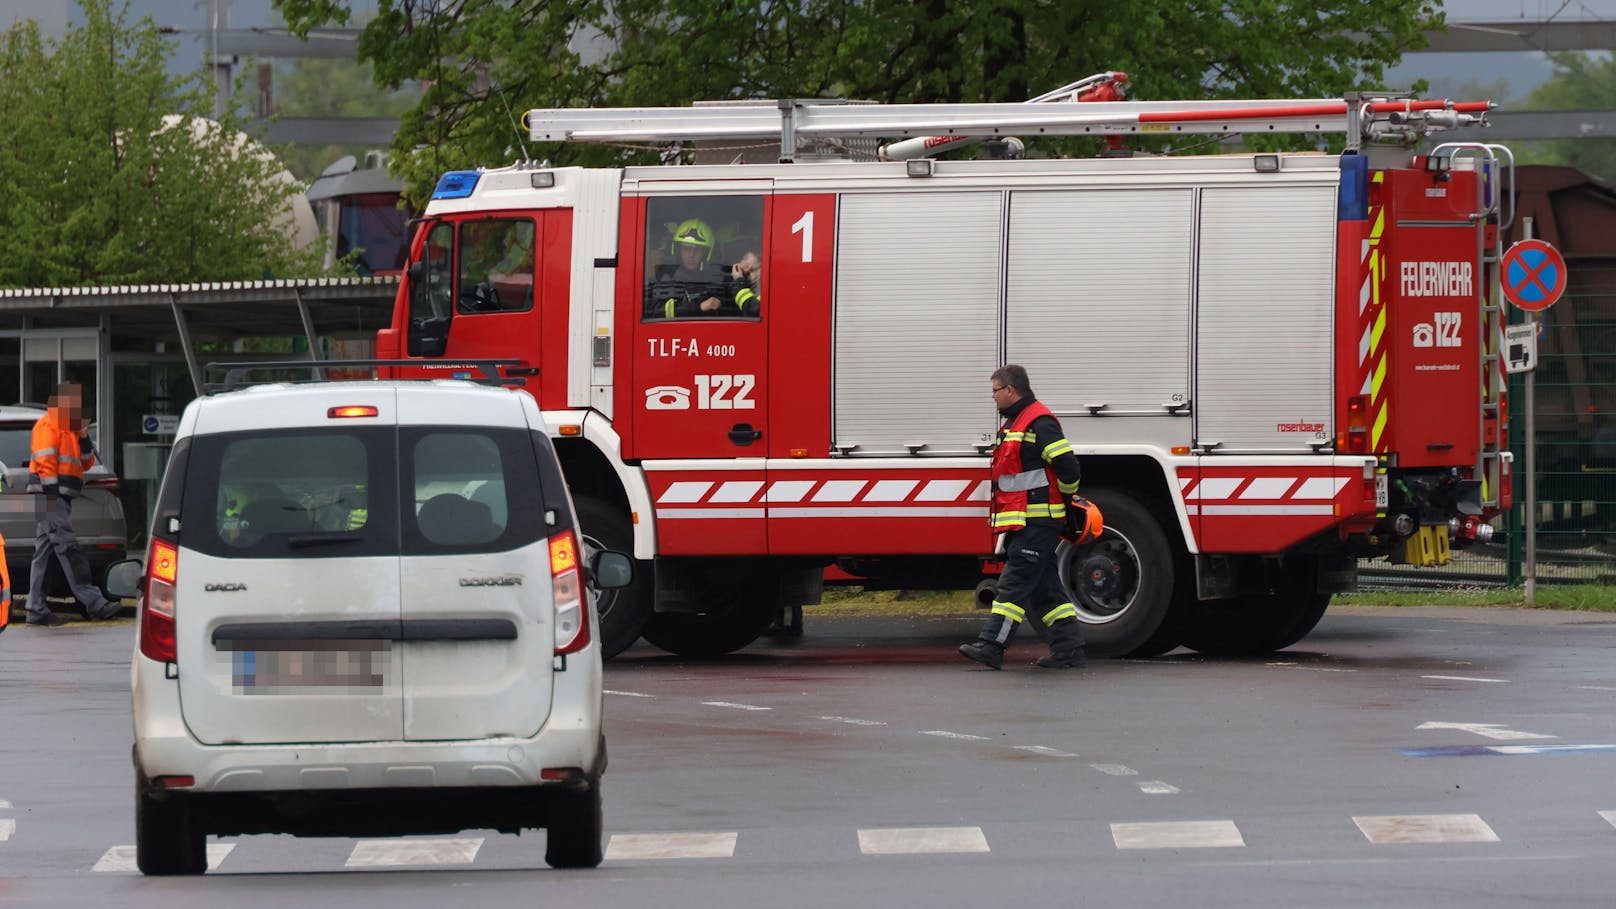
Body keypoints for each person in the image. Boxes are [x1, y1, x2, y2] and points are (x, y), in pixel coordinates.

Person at [960, 365, 1087, 669]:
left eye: (995, 390)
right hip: (1027, 520)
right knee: (1046, 590)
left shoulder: (1038, 422)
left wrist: (1067, 498)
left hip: (1038, 521)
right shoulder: (1018, 422)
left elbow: (1068, 466)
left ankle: (992, 645)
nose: (992, 397)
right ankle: (1069, 650)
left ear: (1010, 390)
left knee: (1013, 584)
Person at [25, 382, 120, 626]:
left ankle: (35, 609)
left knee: (44, 554)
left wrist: (84, 436)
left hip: (56, 496)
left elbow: (85, 464)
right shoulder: (47, 425)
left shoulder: (70, 429)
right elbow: (45, 461)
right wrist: (52, 494)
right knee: (68, 548)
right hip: (49, 496)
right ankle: (95, 603)